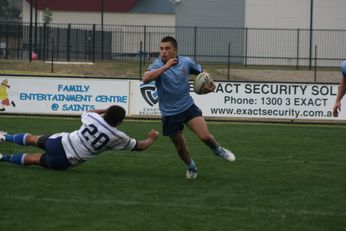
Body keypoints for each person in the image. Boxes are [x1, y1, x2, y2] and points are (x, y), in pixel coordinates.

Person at [142, 36, 235, 180]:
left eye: (167, 48)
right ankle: (191, 167)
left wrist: (210, 83)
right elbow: (146, 78)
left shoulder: (186, 62)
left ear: (175, 50)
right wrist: (165, 67)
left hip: (187, 107)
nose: (163, 52)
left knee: (205, 136)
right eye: (161, 49)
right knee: (180, 147)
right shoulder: (157, 64)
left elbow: (203, 74)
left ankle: (218, 150)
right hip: (169, 113)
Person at [0, 105, 159, 170]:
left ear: (106, 114)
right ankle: (3, 157)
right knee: (34, 159)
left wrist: (105, 109)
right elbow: (140, 146)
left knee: (33, 139)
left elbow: (91, 110)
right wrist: (151, 138)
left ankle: (4, 137)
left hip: (60, 143)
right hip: (67, 159)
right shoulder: (118, 136)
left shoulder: (94, 118)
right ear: (120, 121)